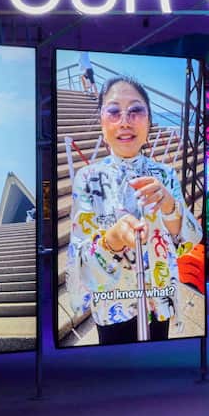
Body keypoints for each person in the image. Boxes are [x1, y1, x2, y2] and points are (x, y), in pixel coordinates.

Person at [68, 76, 201, 344]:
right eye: (114, 111)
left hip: (158, 300)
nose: (125, 121)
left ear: (149, 121)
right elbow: (80, 259)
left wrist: (169, 205)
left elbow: (188, 241)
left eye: (136, 110)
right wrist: (113, 239)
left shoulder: (165, 174)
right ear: (102, 123)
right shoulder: (87, 177)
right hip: (112, 304)